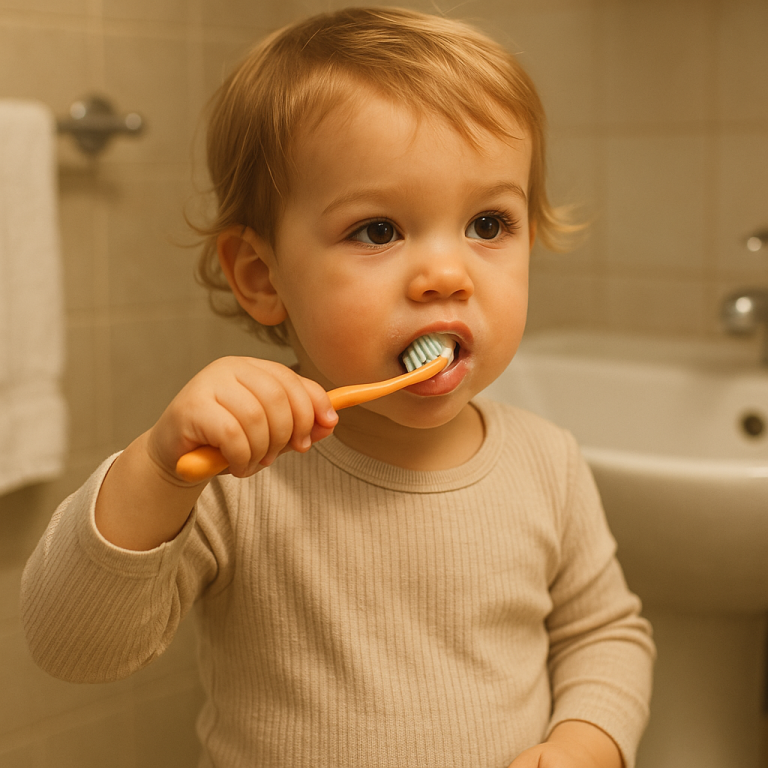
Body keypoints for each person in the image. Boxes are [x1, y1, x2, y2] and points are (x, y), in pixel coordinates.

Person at [21, 7, 654, 768]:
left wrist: (588, 742)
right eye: (378, 231)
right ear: (262, 278)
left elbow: (605, 634)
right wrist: (155, 474)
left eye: (488, 224)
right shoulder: (238, 476)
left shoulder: (548, 464)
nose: (447, 276)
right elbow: (72, 645)